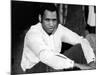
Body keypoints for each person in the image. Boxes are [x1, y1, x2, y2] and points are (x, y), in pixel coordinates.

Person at [21, 3, 96, 73]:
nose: (51, 24)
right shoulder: (33, 33)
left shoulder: (58, 28)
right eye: (47, 20)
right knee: (58, 64)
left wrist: (91, 61)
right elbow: (46, 56)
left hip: (56, 61)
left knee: (80, 47)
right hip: (36, 68)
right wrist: (78, 65)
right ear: (40, 18)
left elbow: (81, 40)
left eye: (54, 20)